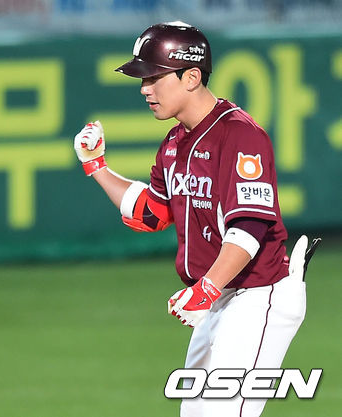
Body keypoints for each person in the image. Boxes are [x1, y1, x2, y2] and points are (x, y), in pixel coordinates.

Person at [73, 21, 316, 417]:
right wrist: (96, 166)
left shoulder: (239, 135)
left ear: (191, 77)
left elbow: (249, 229)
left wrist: (205, 288)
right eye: (143, 79)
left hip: (258, 295)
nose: (144, 89)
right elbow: (151, 213)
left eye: (154, 77)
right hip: (219, 298)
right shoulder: (174, 143)